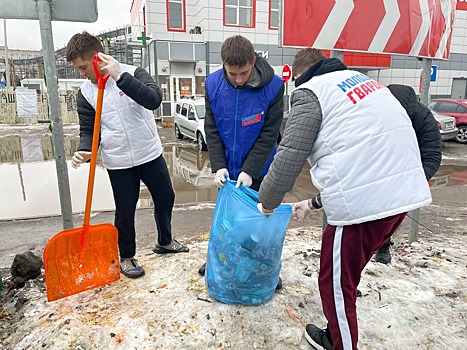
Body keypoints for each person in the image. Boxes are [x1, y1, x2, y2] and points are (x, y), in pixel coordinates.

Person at [257, 48, 432, 350]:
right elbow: (360, 159)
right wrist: (311, 204)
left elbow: (288, 159)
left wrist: (266, 203)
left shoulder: (310, 92)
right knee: (344, 277)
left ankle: (340, 344)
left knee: (335, 284)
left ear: (298, 76)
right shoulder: (363, 83)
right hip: (402, 196)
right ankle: (336, 330)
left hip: (365, 206)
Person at [66, 32, 188, 279]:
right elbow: (90, 128)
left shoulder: (133, 72)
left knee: (165, 197)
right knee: (125, 210)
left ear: (98, 59)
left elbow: (153, 99)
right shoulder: (85, 93)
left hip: (149, 153)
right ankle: (127, 256)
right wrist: (85, 149)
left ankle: (165, 241)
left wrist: (120, 77)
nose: (81, 74)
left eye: (83, 67)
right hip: (118, 161)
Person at [199, 35, 284, 277]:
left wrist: (250, 170)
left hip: (260, 170)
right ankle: (221, 261)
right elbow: (212, 129)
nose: (238, 80)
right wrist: (219, 166)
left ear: (253, 61)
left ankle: (264, 269)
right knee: (228, 221)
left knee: (260, 224)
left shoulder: (274, 87)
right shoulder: (212, 84)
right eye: (232, 73)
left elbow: (269, 135)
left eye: (244, 73)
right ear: (223, 64)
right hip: (228, 170)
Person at [372, 84, 441, 264]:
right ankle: (371, 242)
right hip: (380, 166)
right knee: (373, 208)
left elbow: (432, 155)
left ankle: (383, 244)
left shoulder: (423, 118)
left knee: (392, 212)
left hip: (409, 171)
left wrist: (415, 180)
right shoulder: (376, 112)